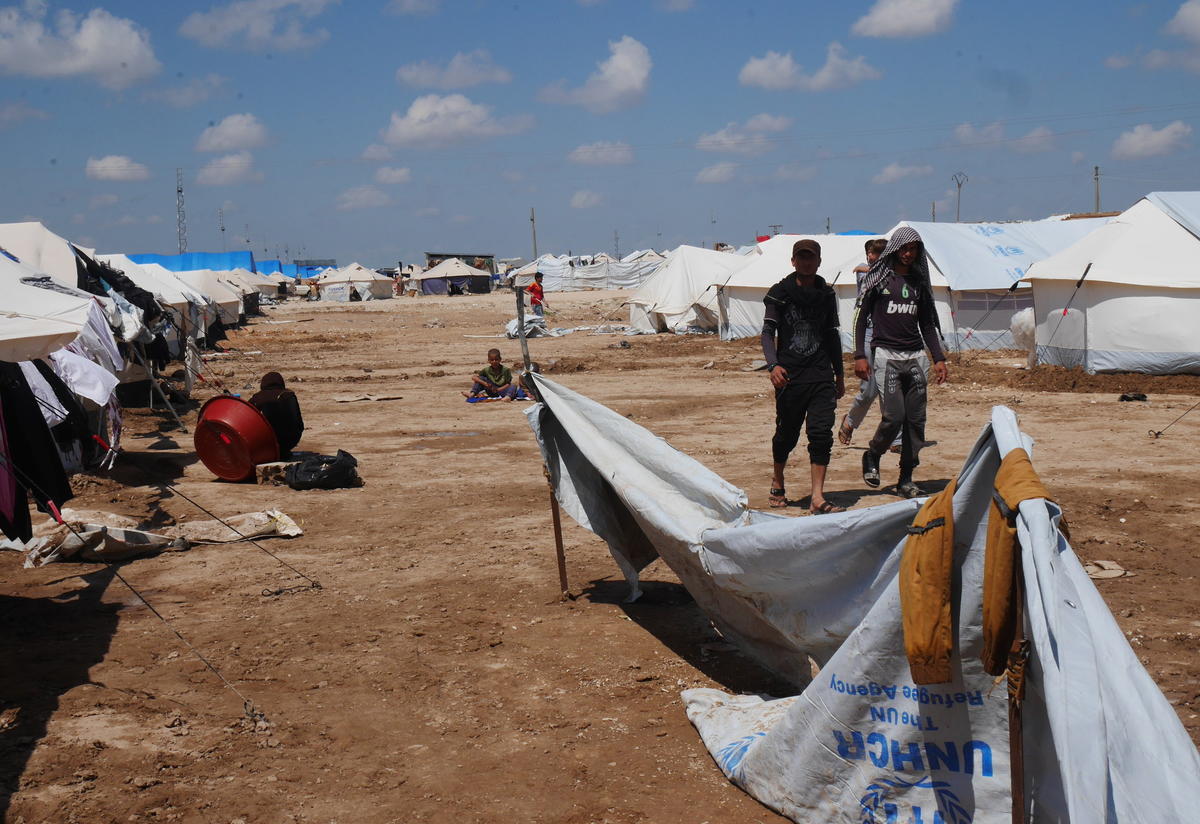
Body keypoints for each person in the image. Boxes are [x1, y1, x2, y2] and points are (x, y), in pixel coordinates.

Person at [852, 227, 949, 499]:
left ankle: (906, 478)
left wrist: (939, 358)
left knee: (916, 421)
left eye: (913, 249)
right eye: (904, 248)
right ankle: (873, 454)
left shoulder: (919, 282)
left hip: (915, 357)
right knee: (894, 416)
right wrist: (859, 355)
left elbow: (927, 324)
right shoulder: (878, 279)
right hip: (886, 355)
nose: (908, 254)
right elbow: (860, 319)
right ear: (895, 249)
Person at [762, 239, 846, 514]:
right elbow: (767, 333)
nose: (806, 262)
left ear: (819, 262)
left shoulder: (826, 294)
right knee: (786, 434)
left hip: (820, 374)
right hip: (790, 376)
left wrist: (839, 374)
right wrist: (773, 365)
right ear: (793, 261)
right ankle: (778, 479)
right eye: (801, 257)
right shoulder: (780, 293)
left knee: (821, 434)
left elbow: (832, 335)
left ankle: (817, 497)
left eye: (811, 258)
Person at [838, 238, 900, 450]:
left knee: (890, 388)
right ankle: (850, 420)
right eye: (870, 253)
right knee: (869, 390)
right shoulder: (865, 273)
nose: (871, 257)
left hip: (889, 334)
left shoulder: (895, 274)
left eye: (876, 254)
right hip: (868, 334)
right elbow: (866, 271)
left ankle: (895, 438)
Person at [249, 371, 304, 459]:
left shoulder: (258, 397)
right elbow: (299, 422)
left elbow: (247, 415)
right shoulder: (289, 395)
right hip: (291, 440)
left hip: (266, 442)